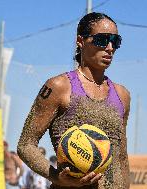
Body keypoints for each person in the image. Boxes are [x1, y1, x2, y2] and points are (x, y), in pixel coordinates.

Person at [17, 12, 131, 189]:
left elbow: (121, 157)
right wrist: (57, 177)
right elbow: (26, 145)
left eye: (115, 41)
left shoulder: (122, 95)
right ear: (80, 41)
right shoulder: (59, 86)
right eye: (102, 39)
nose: (109, 47)